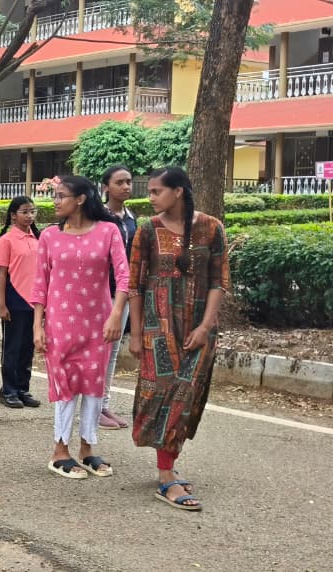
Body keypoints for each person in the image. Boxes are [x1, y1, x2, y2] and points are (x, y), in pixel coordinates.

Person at [128, 167, 226, 511]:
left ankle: (167, 469)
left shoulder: (211, 228)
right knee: (161, 396)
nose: (151, 197)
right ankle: (166, 474)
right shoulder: (147, 230)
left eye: (157, 191)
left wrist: (205, 327)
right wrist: (136, 333)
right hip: (159, 329)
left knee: (186, 397)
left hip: (199, 327)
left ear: (179, 191)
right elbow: (135, 286)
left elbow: (219, 281)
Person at [31, 175, 129, 480]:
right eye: (56, 196)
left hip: (99, 324)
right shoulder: (50, 236)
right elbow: (40, 284)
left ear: (81, 199)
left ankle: (88, 449)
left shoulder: (109, 231)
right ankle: (60, 451)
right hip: (60, 324)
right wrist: (37, 326)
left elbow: (124, 277)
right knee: (65, 384)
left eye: (61, 196)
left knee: (94, 384)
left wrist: (116, 315)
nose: (55, 201)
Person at [0, 196, 42, 409]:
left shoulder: (38, 239)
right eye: (25, 212)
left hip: (34, 302)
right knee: (12, 348)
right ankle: (9, 390)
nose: (29, 216)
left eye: (32, 211)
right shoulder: (6, 240)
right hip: (15, 299)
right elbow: (2, 275)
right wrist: (1, 304)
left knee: (27, 348)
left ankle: (23, 388)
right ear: (13, 215)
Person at [100, 165, 137, 430]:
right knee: (99, 349)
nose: (126, 187)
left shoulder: (131, 217)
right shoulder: (100, 217)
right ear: (106, 187)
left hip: (124, 293)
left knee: (112, 352)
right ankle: (92, 407)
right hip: (102, 293)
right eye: (119, 182)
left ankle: (103, 404)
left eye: (128, 182)